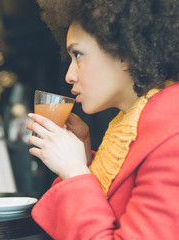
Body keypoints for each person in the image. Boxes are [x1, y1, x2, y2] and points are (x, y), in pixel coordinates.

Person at [26, 0, 179, 239]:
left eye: (78, 55)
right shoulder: (129, 126)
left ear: (126, 52)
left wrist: (75, 173)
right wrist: (85, 160)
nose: (69, 75)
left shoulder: (172, 135)